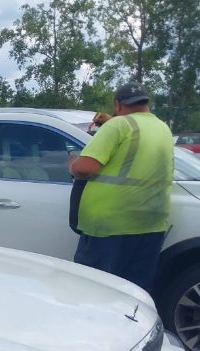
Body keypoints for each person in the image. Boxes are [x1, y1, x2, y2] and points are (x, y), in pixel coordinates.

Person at [68, 81, 174, 292]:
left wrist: (72, 163)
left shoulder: (118, 126)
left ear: (117, 105)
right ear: (147, 103)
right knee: (135, 293)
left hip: (111, 226)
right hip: (151, 224)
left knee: (95, 290)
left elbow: (84, 168)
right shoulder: (163, 128)